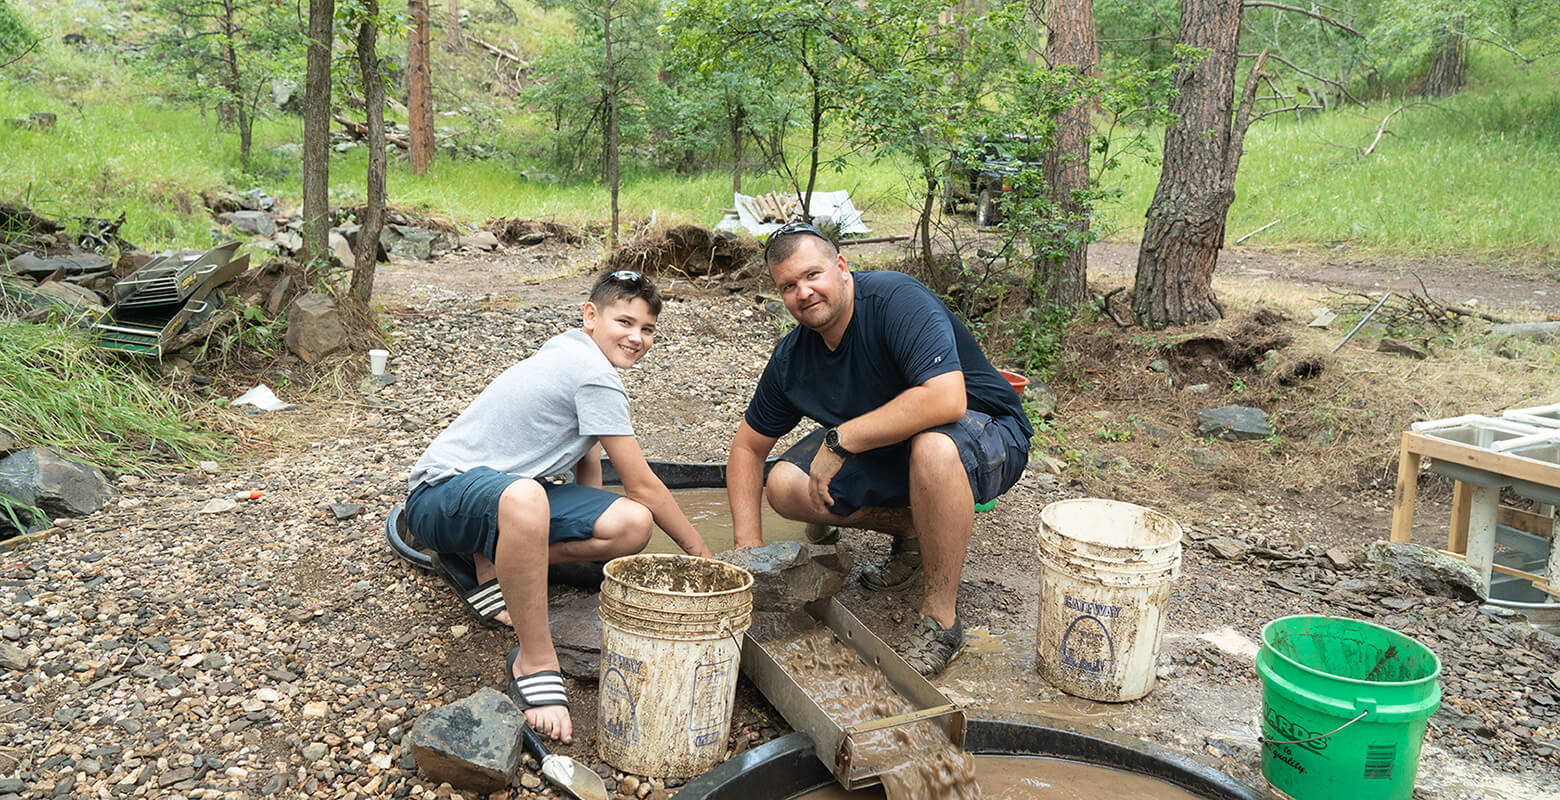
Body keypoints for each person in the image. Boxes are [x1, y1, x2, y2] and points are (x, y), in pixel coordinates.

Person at [402, 269, 712, 743]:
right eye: (624, 322)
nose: (636, 338)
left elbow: (587, 450)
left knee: (630, 525)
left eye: (647, 329)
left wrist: (588, 515)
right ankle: (536, 660)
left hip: (500, 497)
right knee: (528, 496)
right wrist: (701, 554)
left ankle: (493, 560)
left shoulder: (575, 352)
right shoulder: (593, 373)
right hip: (439, 499)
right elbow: (643, 484)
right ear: (591, 314)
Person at [726, 222, 1032, 677]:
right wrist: (748, 556)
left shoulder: (895, 300)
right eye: (788, 286)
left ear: (842, 268)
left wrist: (841, 439)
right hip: (892, 443)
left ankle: (940, 621)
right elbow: (747, 450)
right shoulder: (793, 357)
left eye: (813, 275)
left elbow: (947, 398)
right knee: (786, 486)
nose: (803, 292)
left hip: (985, 430)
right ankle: (913, 527)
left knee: (933, 447)